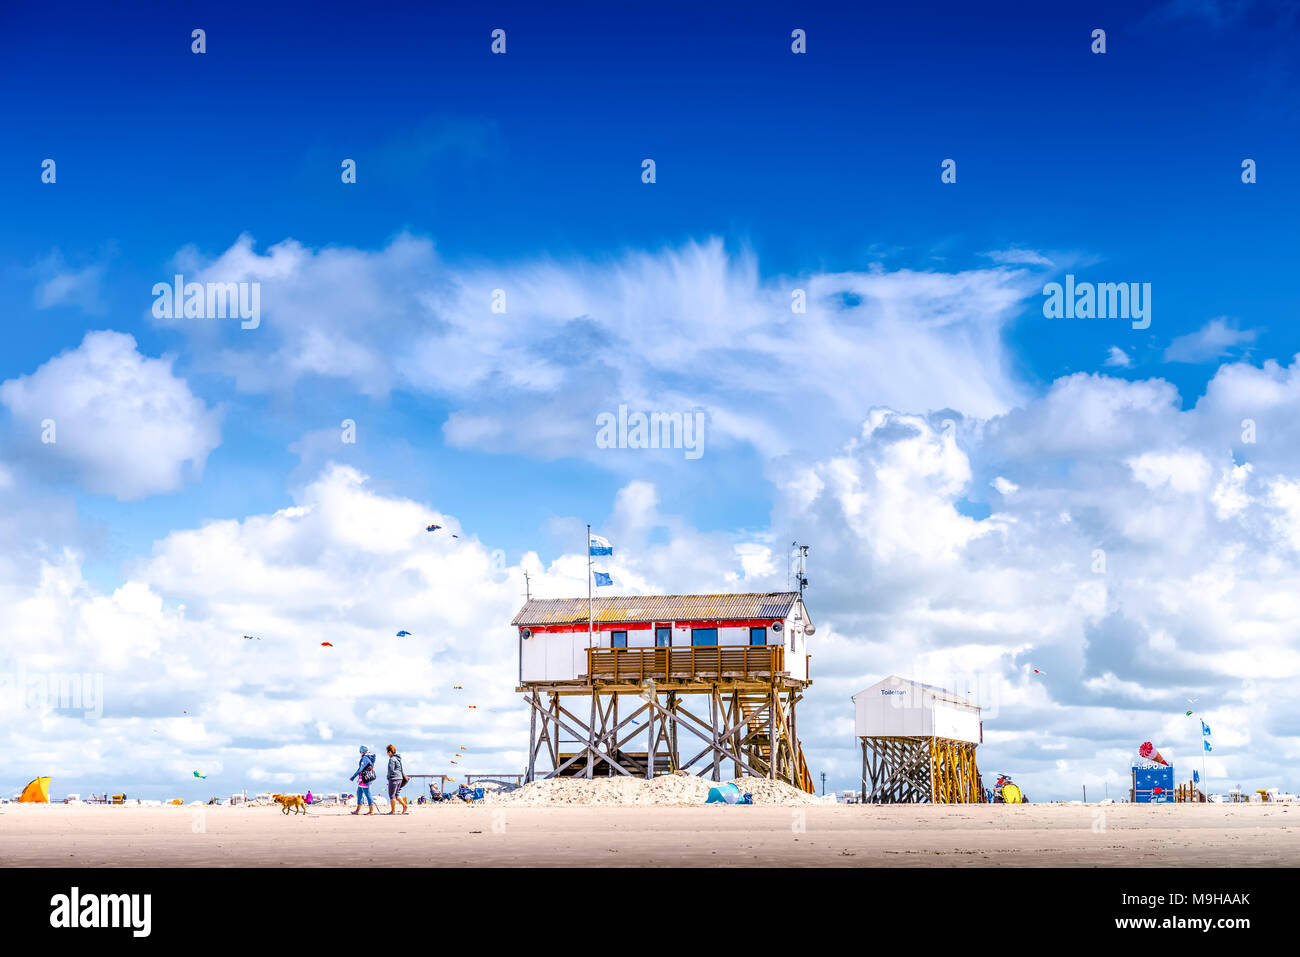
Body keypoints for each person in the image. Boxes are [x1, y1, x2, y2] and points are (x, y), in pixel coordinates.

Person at [350, 746, 376, 815]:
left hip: (365, 779)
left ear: (361, 751)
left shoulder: (365, 758)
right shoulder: (369, 757)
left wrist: (353, 777)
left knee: (367, 794)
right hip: (362, 779)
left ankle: (371, 811)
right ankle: (357, 810)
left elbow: (360, 769)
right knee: (359, 793)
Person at [386, 744, 409, 814]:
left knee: (392, 795)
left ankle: (393, 811)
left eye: (387, 752)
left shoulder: (392, 759)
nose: (387, 754)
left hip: (394, 778)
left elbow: (391, 770)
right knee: (396, 794)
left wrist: (388, 777)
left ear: (390, 752)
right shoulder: (398, 759)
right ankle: (404, 806)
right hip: (400, 778)